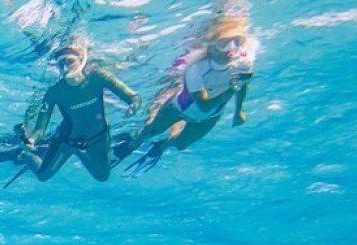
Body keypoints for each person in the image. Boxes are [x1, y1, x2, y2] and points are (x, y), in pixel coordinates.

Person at [111, 15, 255, 176]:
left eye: (237, 41)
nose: (231, 49)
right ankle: (131, 145)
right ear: (211, 47)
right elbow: (204, 104)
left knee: (180, 145)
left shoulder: (243, 63)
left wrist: (239, 111)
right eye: (224, 43)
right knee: (149, 130)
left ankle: (159, 147)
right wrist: (231, 90)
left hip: (210, 117)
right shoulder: (197, 69)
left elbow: (243, 84)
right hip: (179, 108)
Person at [17, 38, 141, 183]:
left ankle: (80, 153)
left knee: (102, 177)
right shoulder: (54, 92)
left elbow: (133, 96)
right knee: (43, 176)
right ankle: (25, 155)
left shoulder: (98, 76)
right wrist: (31, 140)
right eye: (60, 64)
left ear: (80, 60)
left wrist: (133, 106)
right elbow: (40, 129)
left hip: (99, 137)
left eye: (69, 61)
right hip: (67, 141)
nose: (65, 67)